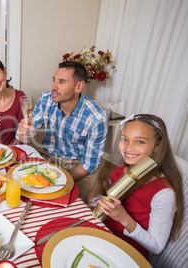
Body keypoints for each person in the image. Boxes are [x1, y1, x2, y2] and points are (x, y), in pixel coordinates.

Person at [87, 114, 184, 257]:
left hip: (126, 251)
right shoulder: (117, 167)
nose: (128, 148)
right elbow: (97, 197)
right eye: (124, 139)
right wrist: (94, 203)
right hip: (99, 234)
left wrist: (123, 218)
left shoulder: (163, 193)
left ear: (157, 146)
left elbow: (156, 247)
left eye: (140, 142)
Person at [17, 61, 108, 200]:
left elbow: (90, 163)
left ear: (79, 86)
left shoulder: (96, 118)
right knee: (25, 189)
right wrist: (23, 133)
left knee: (72, 201)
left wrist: (60, 181)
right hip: (48, 158)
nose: (54, 87)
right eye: (54, 80)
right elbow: (27, 136)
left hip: (79, 165)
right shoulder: (46, 99)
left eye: (62, 82)